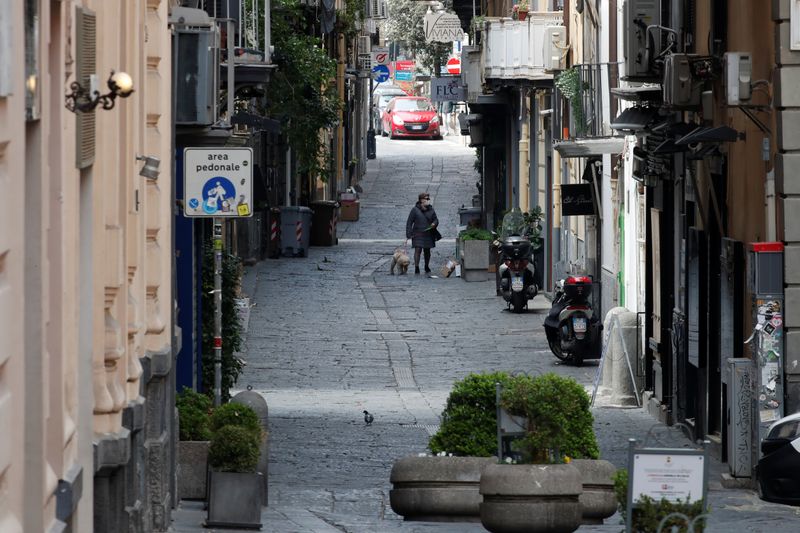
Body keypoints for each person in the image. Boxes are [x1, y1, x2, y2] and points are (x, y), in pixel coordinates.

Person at [405, 192, 439, 274]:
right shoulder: (415, 210)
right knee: (418, 250)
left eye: (428, 199)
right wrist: (408, 234)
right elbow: (409, 222)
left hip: (428, 234)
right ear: (421, 200)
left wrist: (434, 223)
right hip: (417, 233)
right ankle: (417, 267)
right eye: (426, 199)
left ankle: (426, 266)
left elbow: (436, 219)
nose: (428, 200)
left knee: (427, 251)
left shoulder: (431, 209)